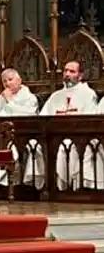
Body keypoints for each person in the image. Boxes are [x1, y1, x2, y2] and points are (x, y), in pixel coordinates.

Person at [40, 61, 99, 190]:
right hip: (55, 135)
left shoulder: (88, 94)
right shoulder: (55, 96)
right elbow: (42, 118)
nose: (67, 74)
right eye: (65, 71)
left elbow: (91, 118)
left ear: (80, 75)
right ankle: (54, 188)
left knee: (70, 147)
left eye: (72, 71)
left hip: (81, 135)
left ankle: (77, 187)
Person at [0, 68, 39, 188]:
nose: (7, 84)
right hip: (0, 135)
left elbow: (25, 116)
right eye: (4, 81)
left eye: (10, 80)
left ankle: (15, 184)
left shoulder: (30, 98)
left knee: (14, 148)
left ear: (19, 80)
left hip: (23, 135)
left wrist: (9, 101)